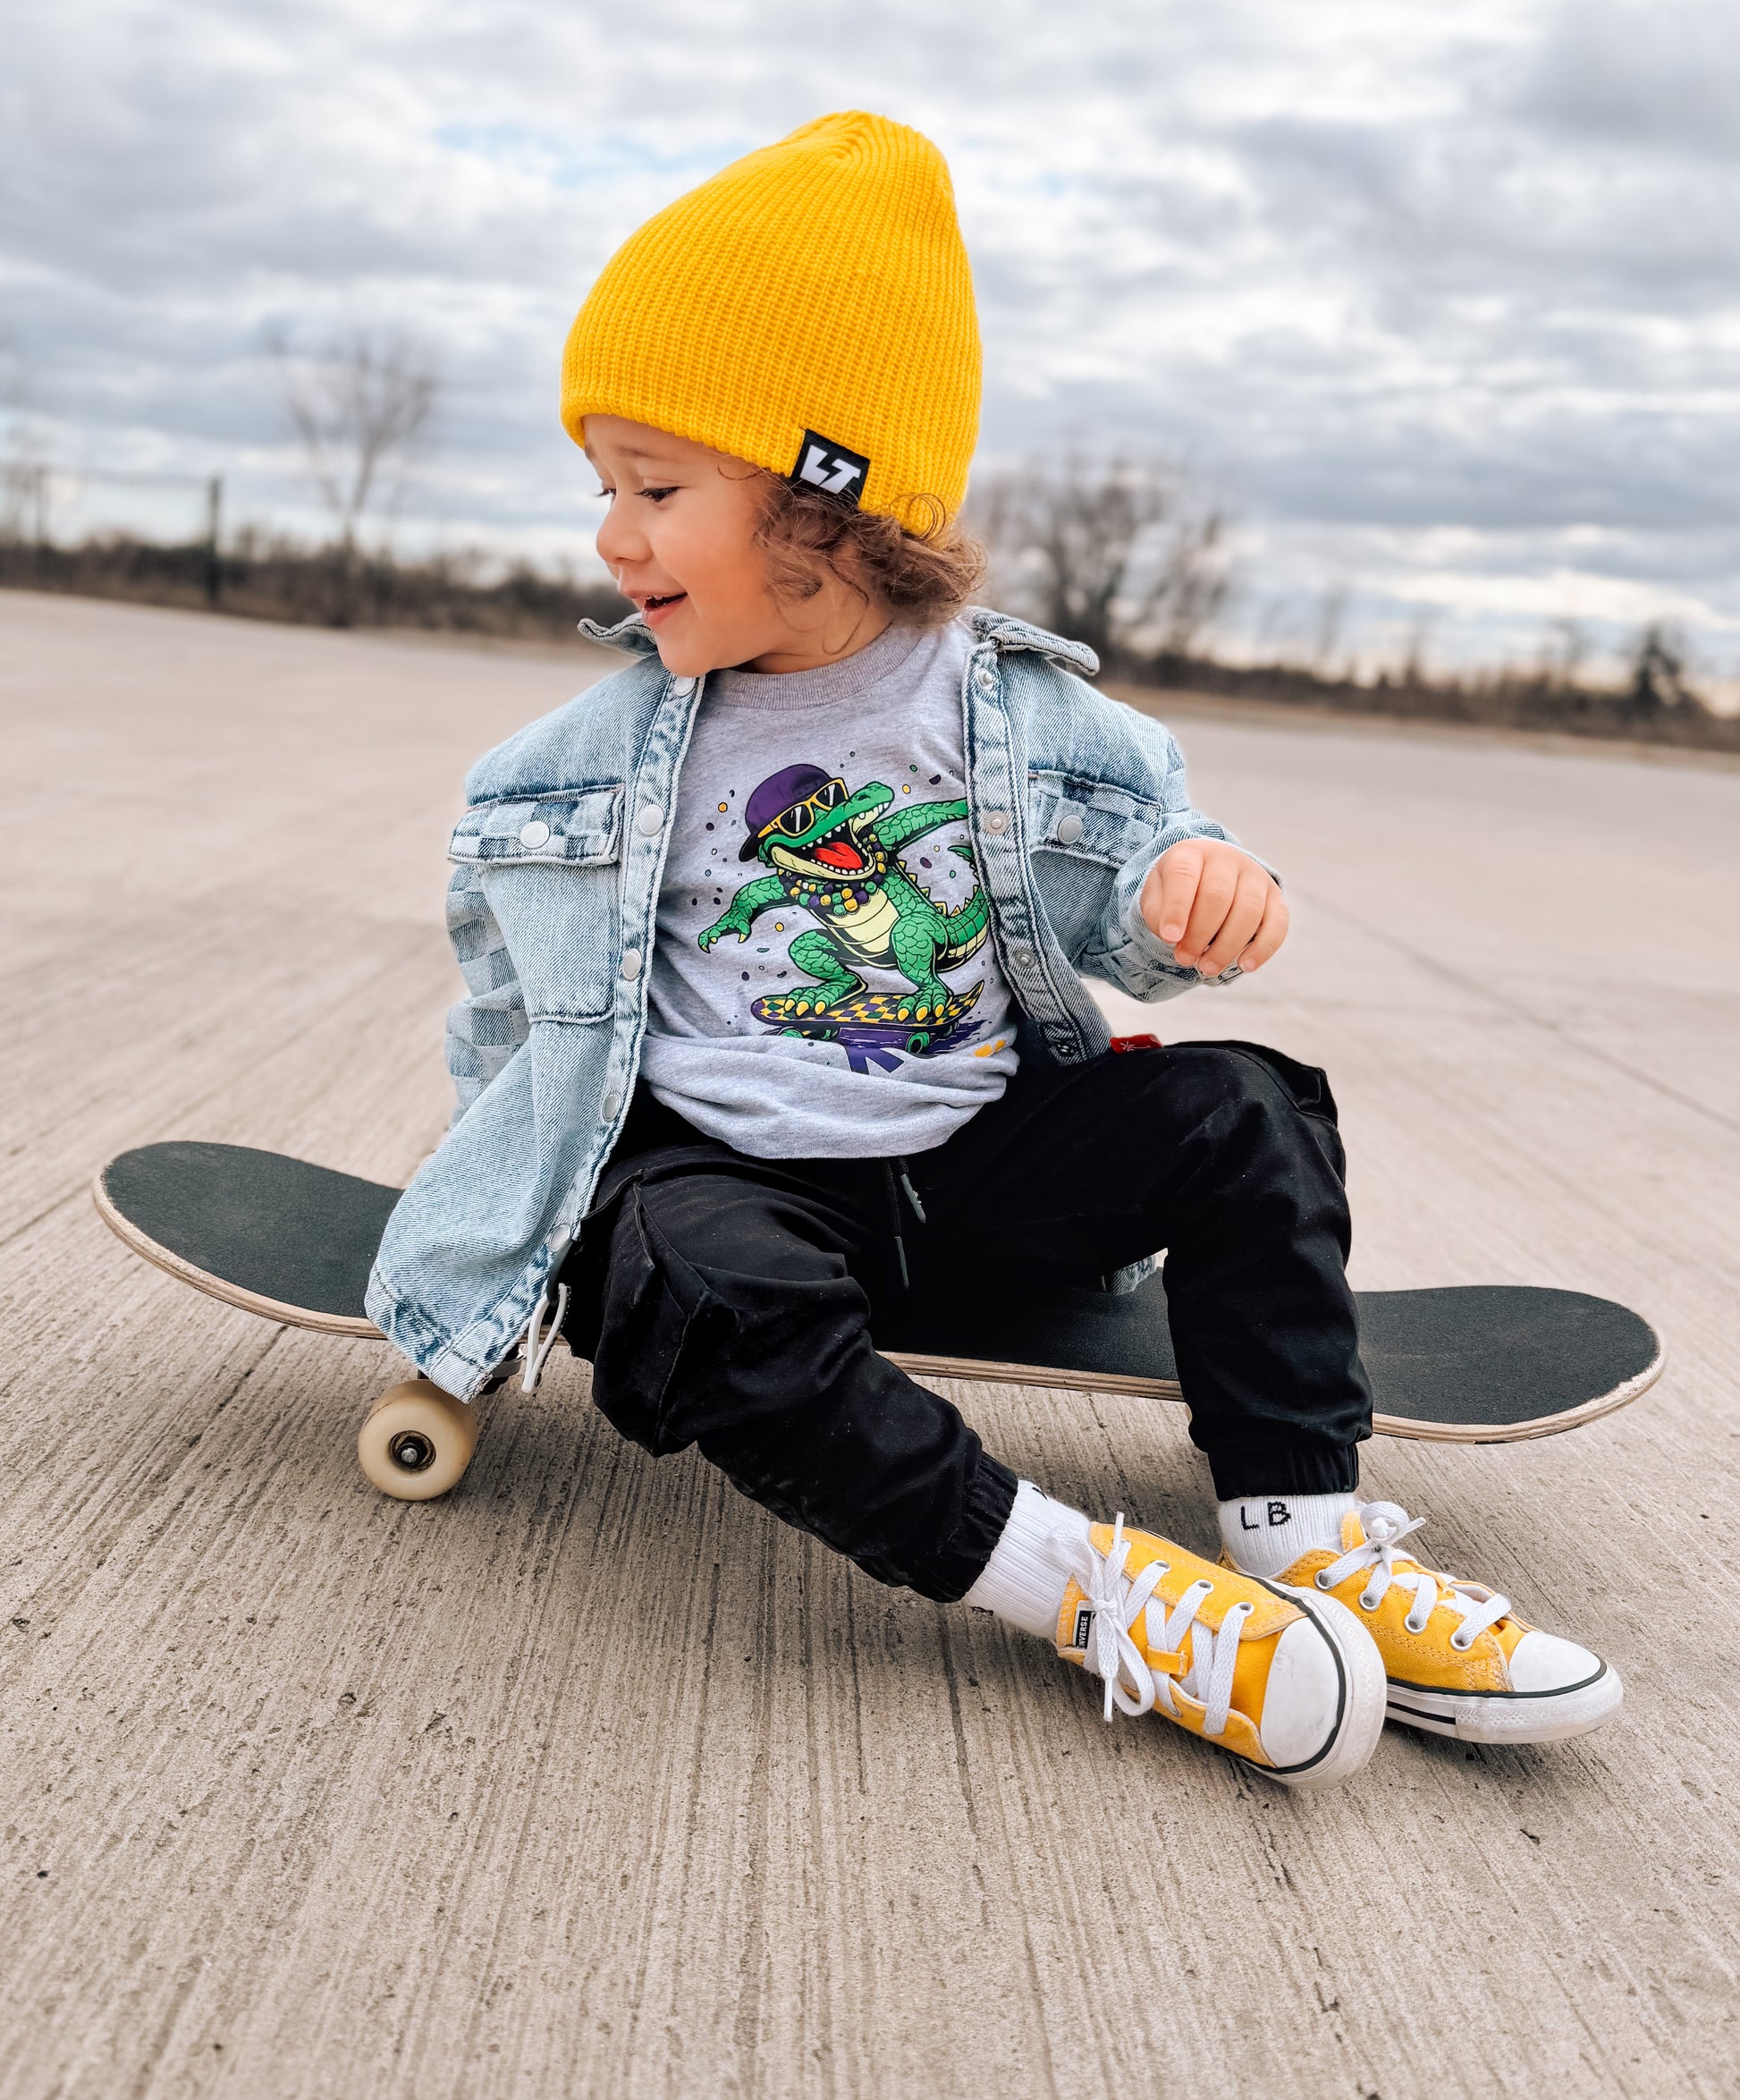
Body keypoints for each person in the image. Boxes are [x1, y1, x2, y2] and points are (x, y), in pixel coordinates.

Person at [368, 113, 1620, 1785]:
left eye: (657, 488)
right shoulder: (577, 763)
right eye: (604, 487)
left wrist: (1194, 886)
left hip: (969, 1169)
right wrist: (499, 1242)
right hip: (732, 1183)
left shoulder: (1010, 713)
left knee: (1244, 1108)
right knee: (685, 1273)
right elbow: (513, 1031)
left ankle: (1312, 1548)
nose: (612, 534)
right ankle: (1096, 1594)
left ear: (827, 504)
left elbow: (1139, 881)